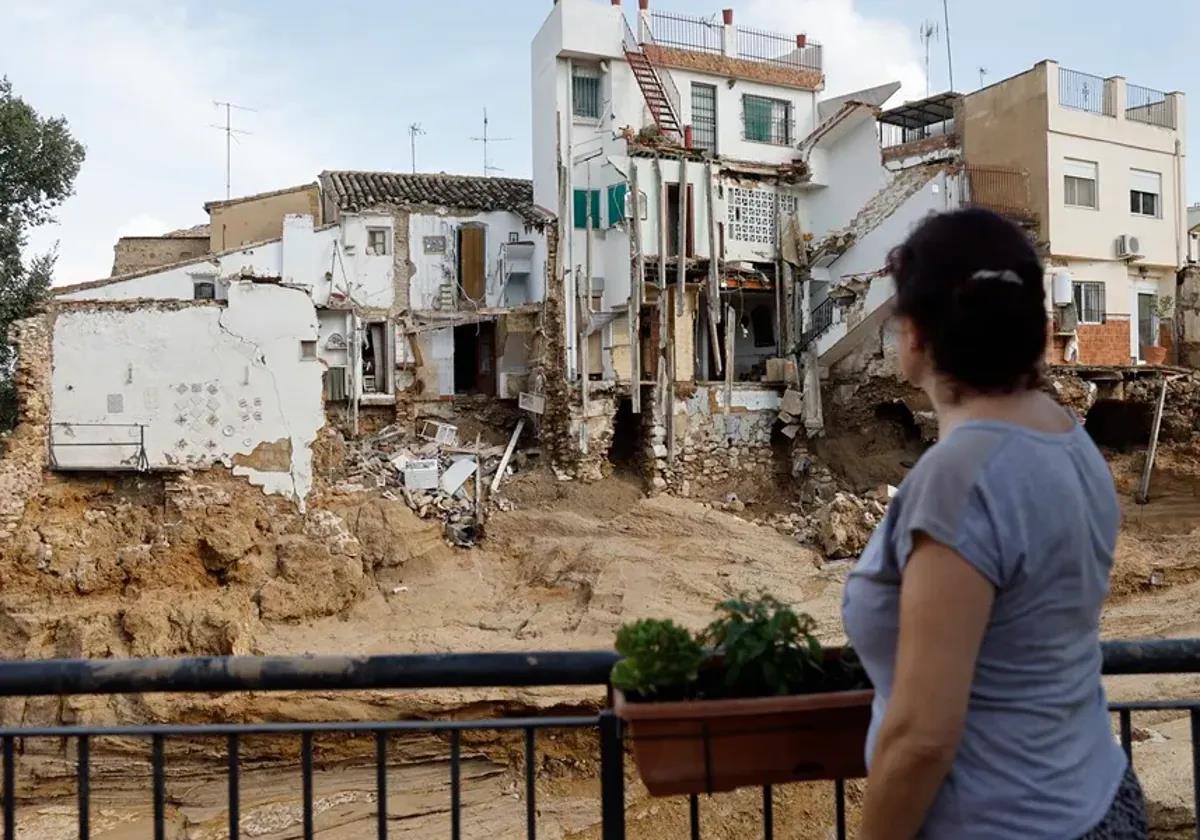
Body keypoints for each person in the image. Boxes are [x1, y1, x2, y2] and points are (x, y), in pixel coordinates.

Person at [843, 208, 1146, 839]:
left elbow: (923, 737)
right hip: (1100, 796)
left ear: (916, 334)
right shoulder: (1069, 441)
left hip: (1004, 823)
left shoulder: (962, 477)